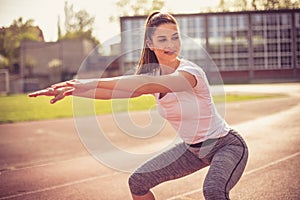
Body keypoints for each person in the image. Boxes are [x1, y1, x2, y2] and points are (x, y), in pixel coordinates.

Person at [29, 11, 248, 200]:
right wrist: (73, 90)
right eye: (162, 39)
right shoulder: (154, 75)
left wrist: (83, 82)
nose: (171, 45)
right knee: (138, 182)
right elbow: (117, 91)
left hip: (225, 145)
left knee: (213, 191)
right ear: (150, 44)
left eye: (175, 37)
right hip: (192, 150)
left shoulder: (190, 73)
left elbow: (142, 85)